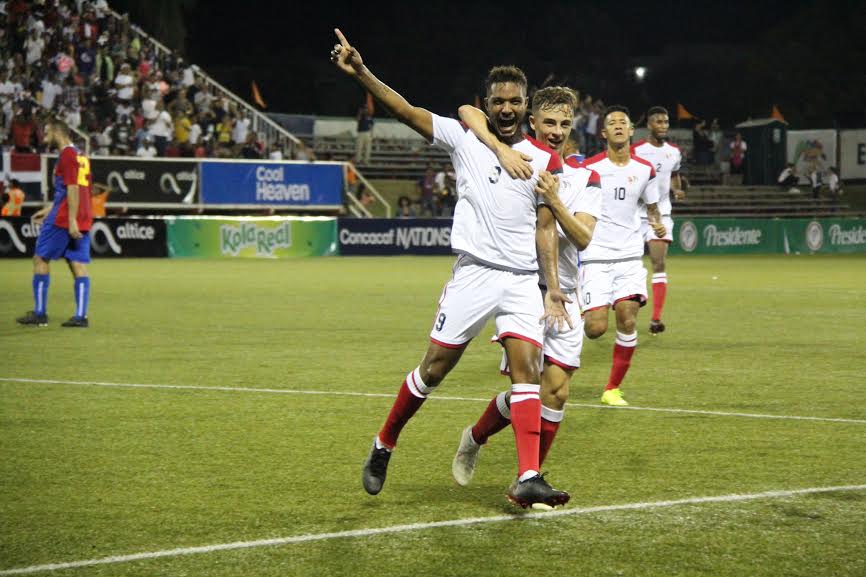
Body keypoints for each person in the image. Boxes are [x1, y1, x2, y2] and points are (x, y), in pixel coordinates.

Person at [330, 29, 571, 509]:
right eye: (499, 101)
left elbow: (546, 229)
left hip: (522, 279)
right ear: (487, 102)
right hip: (474, 274)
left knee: (527, 370)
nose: (507, 109)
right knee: (433, 370)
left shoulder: (547, 159)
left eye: (515, 102)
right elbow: (405, 110)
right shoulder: (466, 138)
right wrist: (362, 73)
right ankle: (384, 444)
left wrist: (553, 288)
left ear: (526, 106)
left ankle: (527, 475)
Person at [451, 86, 602, 485]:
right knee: (529, 384)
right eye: (549, 122)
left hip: (566, 294)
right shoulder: (521, 159)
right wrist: (498, 148)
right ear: (532, 122)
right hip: (523, 289)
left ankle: (476, 436)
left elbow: (583, 238)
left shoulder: (588, 177)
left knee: (556, 393)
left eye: (565, 124)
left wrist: (554, 200)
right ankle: (528, 478)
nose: (557, 131)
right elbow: (469, 109)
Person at [580, 106, 666, 406]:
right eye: (612, 123)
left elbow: (652, 205)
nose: (618, 126)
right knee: (595, 329)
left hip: (629, 257)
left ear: (631, 131)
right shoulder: (589, 168)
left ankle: (612, 389)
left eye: (623, 123)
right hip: (595, 257)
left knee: (627, 319)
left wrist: (656, 221)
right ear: (603, 133)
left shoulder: (645, 170)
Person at [16, 119, 93, 328]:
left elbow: (73, 189)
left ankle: (40, 313)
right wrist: (50, 208)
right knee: (76, 263)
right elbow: (77, 190)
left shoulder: (66, 155)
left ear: (58, 132)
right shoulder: (80, 155)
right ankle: (81, 317)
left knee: (40, 258)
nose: (43, 135)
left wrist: (70, 221)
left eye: (47, 131)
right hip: (82, 216)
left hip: (65, 218)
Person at [631, 107, 684, 334]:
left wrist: (678, 189)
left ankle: (655, 319)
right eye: (659, 122)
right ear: (650, 125)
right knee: (629, 265)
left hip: (660, 214)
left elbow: (674, 175)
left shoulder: (674, 152)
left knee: (659, 263)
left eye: (666, 122)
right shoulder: (637, 150)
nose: (663, 126)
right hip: (633, 215)